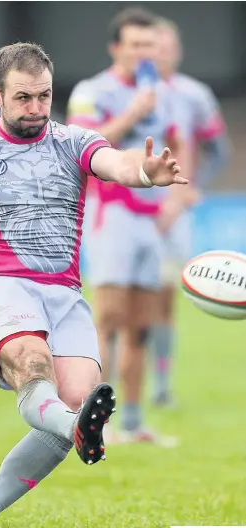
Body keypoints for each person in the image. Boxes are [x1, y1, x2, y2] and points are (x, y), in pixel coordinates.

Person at [0, 42, 188, 528]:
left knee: (75, 403)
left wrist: (146, 172)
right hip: (3, 286)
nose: (36, 108)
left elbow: (117, 164)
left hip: (64, 293)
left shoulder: (74, 141)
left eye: (44, 96)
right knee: (35, 371)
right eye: (23, 98)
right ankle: (78, 427)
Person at [67, 7, 192, 443]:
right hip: (111, 213)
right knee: (110, 318)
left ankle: (134, 421)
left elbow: (178, 141)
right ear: (116, 48)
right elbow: (82, 146)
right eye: (136, 45)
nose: (145, 53)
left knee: (143, 322)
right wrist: (133, 112)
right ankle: (93, 422)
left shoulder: (163, 91)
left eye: (150, 46)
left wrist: (178, 196)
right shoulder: (91, 90)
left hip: (151, 219)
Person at [151, 18, 230, 406]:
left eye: (167, 46)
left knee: (165, 299)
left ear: (177, 51)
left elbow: (219, 150)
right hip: (126, 212)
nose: (160, 53)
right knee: (120, 304)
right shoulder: (121, 92)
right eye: (153, 45)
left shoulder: (194, 95)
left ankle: (161, 386)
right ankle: (109, 384)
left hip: (173, 212)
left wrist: (190, 190)